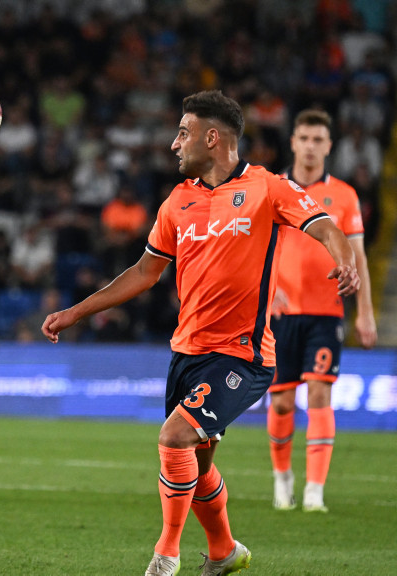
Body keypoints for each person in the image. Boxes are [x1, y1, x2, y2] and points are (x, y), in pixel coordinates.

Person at [41, 90, 360, 576]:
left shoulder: (267, 187)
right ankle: (224, 551)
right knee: (199, 465)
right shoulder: (178, 201)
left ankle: (165, 555)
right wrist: (76, 312)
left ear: (212, 138)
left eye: (183, 133)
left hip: (243, 355)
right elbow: (144, 272)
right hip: (187, 353)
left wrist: (345, 261)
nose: (174, 144)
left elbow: (326, 227)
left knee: (175, 437)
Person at [267, 109, 377, 513]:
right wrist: (268, 291)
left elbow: (358, 256)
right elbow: (256, 249)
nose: (311, 146)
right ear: (293, 142)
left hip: (327, 311)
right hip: (281, 314)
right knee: (281, 402)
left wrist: (365, 311)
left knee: (319, 392)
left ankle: (314, 491)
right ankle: (283, 480)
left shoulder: (345, 195)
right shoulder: (274, 189)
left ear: (329, 146)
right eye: (304, 138)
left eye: (318, 140)